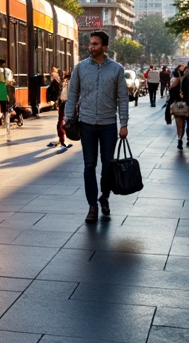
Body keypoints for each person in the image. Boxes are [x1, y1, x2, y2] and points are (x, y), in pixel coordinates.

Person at [68, 31, 128, 223]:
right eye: (90, 44)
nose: (91, 47)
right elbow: (72, 94)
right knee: (89, 165)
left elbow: (123, 98)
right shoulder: (80, 68)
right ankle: (92, 205)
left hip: (109, 124)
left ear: (104, 47)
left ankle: (104, 197)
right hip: (86, 124)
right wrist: (69, 118)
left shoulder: (116, 69)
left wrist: (124, 123)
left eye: (95, 44)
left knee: (108, 165)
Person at [0, 58, 15, 142]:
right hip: (6, 92)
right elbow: (10, 81)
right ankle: (7, 125)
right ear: (5, 64)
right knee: (6, 110)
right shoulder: (8, 71)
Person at [46, 66, 69, 150]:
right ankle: (62, 139)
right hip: (63, 103)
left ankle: (63, 138)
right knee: (61, 122)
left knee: (62, 122)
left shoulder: (65, 83)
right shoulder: (60, 83)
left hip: (67, 103)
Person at [168, 69, 188, 149]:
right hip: (187, 103)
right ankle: (183, 137)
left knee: (179, 123)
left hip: (179, 103)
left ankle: (180, 139)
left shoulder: (177, 81)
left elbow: (171, 92)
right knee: (184, 123)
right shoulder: (188, 80)